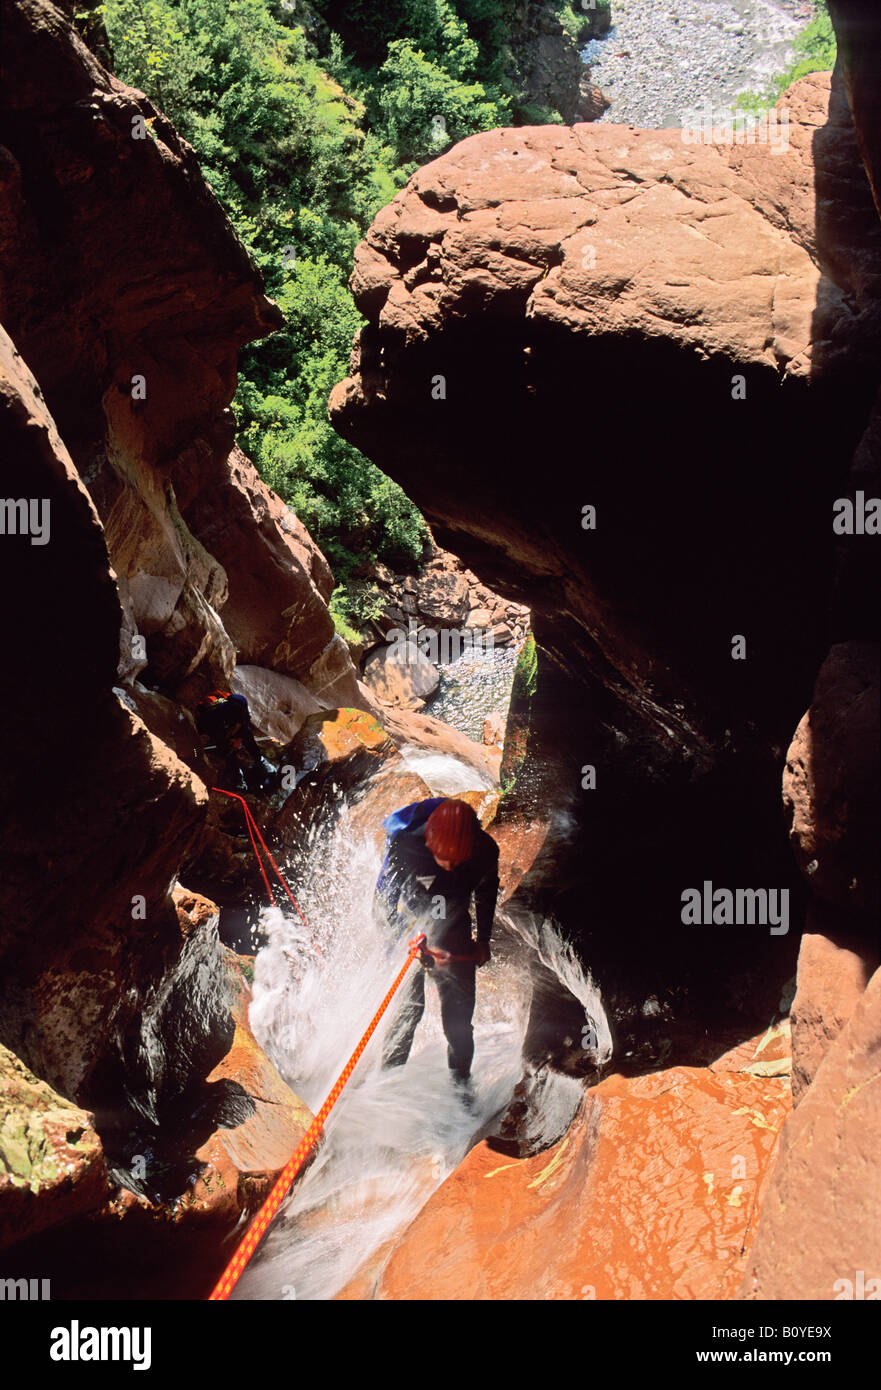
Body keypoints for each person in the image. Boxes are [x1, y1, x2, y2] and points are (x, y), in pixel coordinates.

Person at [375, 797, 499, 1089]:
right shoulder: (406, 845)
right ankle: (387, 1086)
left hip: (455, 922)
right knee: (408, 1011)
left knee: (458, 1022)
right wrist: (405, 942)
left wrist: (483, 940)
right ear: (430, 845)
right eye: (447, 861)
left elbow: (486, 892)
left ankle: (461, 1085)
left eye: (459, 862)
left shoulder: (484, 850)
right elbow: (382, 906)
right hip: (411, 924)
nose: (452, 868)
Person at [194, 690, 277, 794]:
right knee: (227, 750)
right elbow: (218, 738)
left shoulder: (241, 708)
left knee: (247, 735)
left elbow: (244, 725)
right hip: (217, 731)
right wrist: (230, 741)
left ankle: (259, 759)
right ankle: (237, 775)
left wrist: (239, 739)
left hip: (229, 728)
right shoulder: (213, 717)